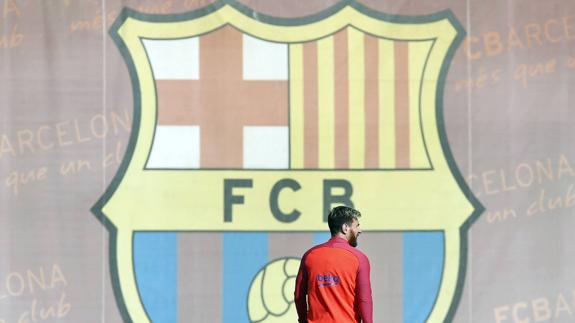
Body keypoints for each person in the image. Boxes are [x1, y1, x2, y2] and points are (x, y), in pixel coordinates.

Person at [294, 206, 373, 323]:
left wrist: (303, 320)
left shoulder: (309, 255)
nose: (360, 230)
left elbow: (299, 295)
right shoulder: (359, 258)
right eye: (357, 226)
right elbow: (364, 299)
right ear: (345, 228)